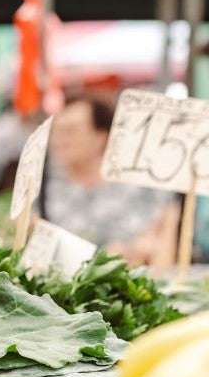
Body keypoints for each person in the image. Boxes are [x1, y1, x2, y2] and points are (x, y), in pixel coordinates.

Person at [43, 95, 173, 263]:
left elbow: (160, 239)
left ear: (101, 136)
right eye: (56, 132)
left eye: (70, 131)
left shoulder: (141, 185)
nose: (59, 140)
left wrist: (145, 246)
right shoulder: (43, 184)